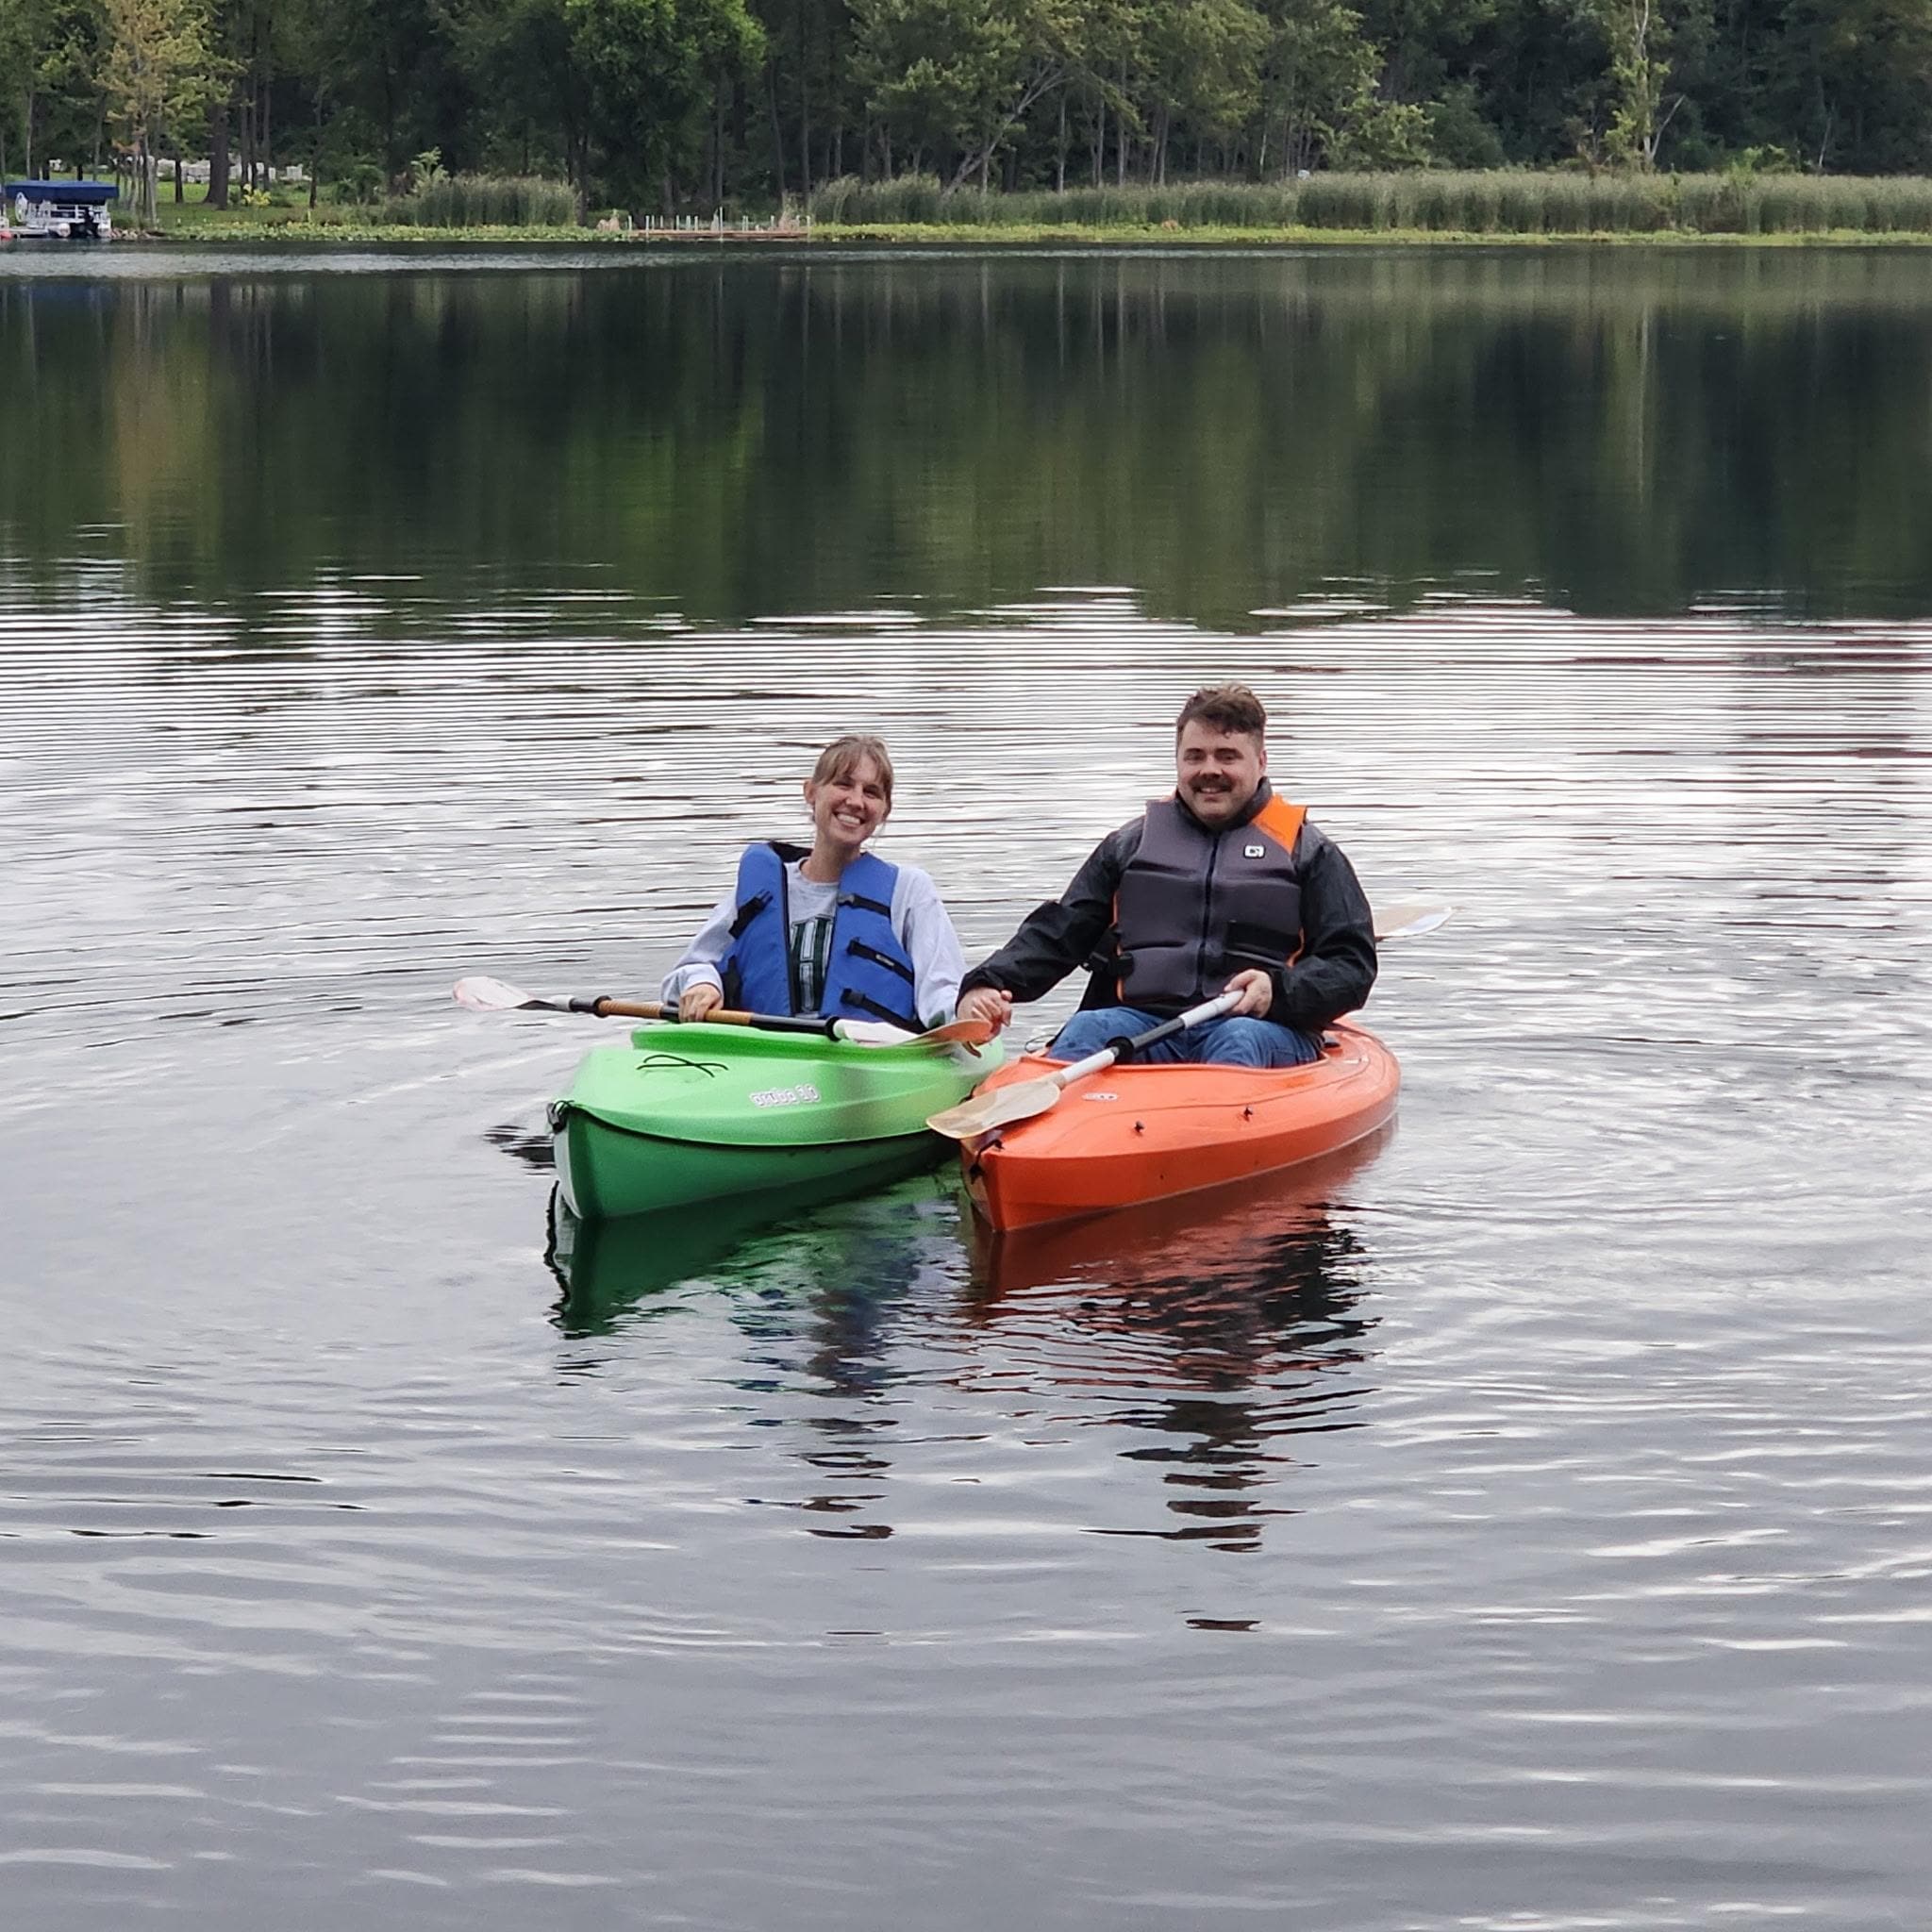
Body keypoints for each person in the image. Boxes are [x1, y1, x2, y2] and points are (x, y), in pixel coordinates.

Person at [955, 685, 1376, 1067]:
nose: (1209, 770)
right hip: (1142, 1024)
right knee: (1087, 1029)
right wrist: (988, 984)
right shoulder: (1128, 846)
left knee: (1237, 1038)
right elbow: (1059, 933)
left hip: (1263, 1026)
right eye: (1195, 756)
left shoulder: (1311, 853)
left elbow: (1351, 965)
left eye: (1227, 756)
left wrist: (1279, 991)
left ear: (1261, 762)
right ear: (1178, 760)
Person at [660, 734, 966, 1031]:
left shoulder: (910, 890)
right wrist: (702, 983)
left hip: (867, 1062)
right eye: (843, 784)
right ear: (811, 792)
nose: (856, 801)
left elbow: (941, 989)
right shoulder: (760, 890)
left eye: (871, 792)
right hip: (766, 1056)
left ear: (885, 810)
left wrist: (967, 1009)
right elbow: (689, 970)